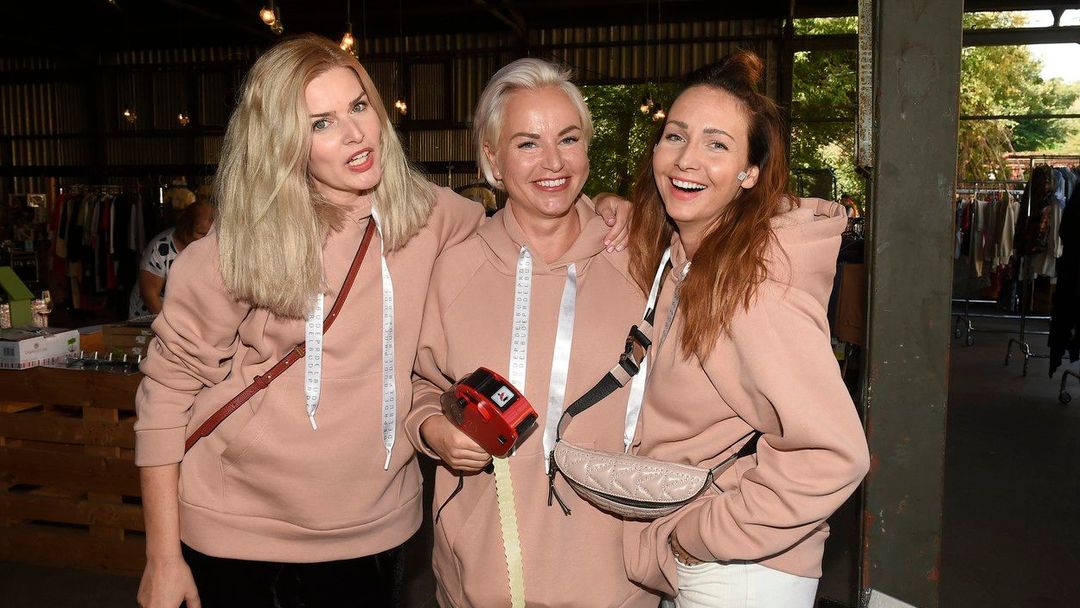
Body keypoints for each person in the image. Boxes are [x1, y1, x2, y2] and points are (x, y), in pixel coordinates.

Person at [134, 35, 631, 608]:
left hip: (377, 533)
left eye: (359, 106)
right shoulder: (237, 247)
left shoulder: (430, 216)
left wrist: (607, 208)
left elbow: (531, 215)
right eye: (321, 123)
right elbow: (165, 395)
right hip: (239, 531)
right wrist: (162, 556)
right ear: (282, 141)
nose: (355, 134)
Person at [406, 58, 659, 608]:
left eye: (568, 138)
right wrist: (432, 428)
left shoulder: (641, 261)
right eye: (527, 143)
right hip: (481, 577)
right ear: (492, 159)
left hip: (616, 582)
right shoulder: (453, 270)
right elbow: (423, 383)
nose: (553, 162)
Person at [620, 51, 870, 607]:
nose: (686, 160)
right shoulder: (686, 259)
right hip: (711, 556)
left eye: (717, 144)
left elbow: (834, 453)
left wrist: (699, 536)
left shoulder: (754, 287)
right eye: (675, 136)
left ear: (749, 173)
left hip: (742, 572)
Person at [129, 200, 213, 318]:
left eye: (210, 234)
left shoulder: (209, 245)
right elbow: (149, 295)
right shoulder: (161, 247)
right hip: (152, 316)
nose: (206, 239)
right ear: (185, 227)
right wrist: (168, 324)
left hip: (183, 318)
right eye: (200, 233)